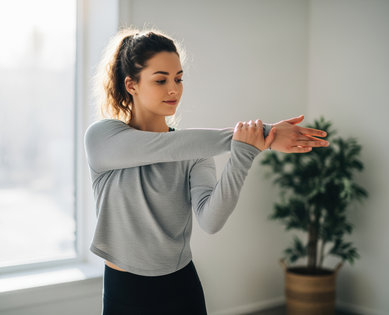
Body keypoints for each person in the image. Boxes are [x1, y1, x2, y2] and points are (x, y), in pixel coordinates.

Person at [83, 28, 329, 315]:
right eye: (160, 80)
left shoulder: (195, 151)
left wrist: (245, 153)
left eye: (178, 79)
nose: (173, 89)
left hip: (181, 288)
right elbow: (163, 147)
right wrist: (266, 133)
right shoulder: (103, 138)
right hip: (125, 291)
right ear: (132, 84)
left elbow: (211, 220)